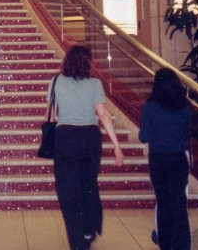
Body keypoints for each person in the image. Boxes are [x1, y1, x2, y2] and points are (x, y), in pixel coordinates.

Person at [50, 44, 125, 250]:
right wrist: (116, 146)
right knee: (88, 184)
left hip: (65, 137)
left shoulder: (56, 81)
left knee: (67, 189)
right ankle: (90, 227)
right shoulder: (95, 84)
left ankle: (77, 240)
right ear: (88, 62)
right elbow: (103, 114)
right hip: (89, 137)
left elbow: (52, 115)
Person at [139, 68, 192, 250]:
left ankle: (166, 243)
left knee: (163, 203)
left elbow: (144, 137)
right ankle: (182, 246)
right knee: (179, 203)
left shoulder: (149, 107)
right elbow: (187, 133)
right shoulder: (184, 106)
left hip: (158, 159)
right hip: (178, 158)